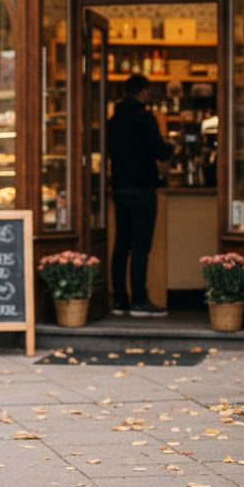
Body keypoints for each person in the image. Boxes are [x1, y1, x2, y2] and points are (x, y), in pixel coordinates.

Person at [106, 73, 173, 318]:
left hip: (119, 187)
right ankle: (140, 301)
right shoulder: (145, 118)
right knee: (141, 246)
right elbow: (160, 151)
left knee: (121, 245)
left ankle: (119, 300)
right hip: (142, 188)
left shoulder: (113, 121)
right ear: (143, 92)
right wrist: (171, 147)